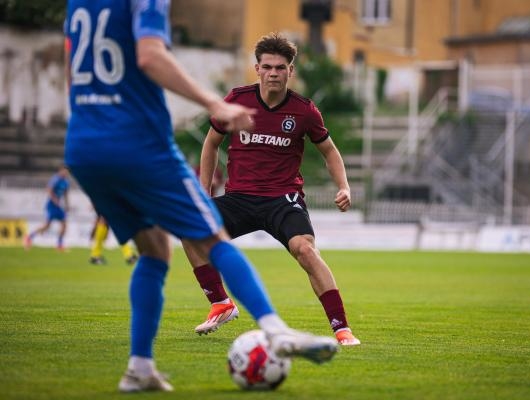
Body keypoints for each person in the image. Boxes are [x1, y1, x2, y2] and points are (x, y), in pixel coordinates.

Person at [64, 0, 337, 393]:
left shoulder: (78, 4)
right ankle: (276, 330)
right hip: (138, 142)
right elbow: (150, 55)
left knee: (155, 247)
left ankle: (140, 367)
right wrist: (213, 103)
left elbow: (72, 66)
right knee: (210, 236)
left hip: (83, 145)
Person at [184, 33, 360, 346]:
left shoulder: (304, 111)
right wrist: (203, 192)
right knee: (188, 226)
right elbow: (211, 144)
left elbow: (330, 151)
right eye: (268, 66)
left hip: (283, 200)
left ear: (291, 71)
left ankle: (342, 328)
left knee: (306, 251)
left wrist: (344, 186)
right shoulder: (237, 100)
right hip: (239, 198)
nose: (274, 73)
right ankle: (220, 303)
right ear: (257, 68)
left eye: (281, 67)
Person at [25, 165, 70, 251]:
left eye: (67, 172)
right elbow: (49, 190)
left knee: (64, 224)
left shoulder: (66, 182)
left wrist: (67, 204)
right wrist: (54, 199)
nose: (66, 173)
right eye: (64, 171)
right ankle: (29, 237)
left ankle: (59, 245)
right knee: (47, 226)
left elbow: (65, 194)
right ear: (60, 170)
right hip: (51, 205)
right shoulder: (55, 179)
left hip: (58, 206)